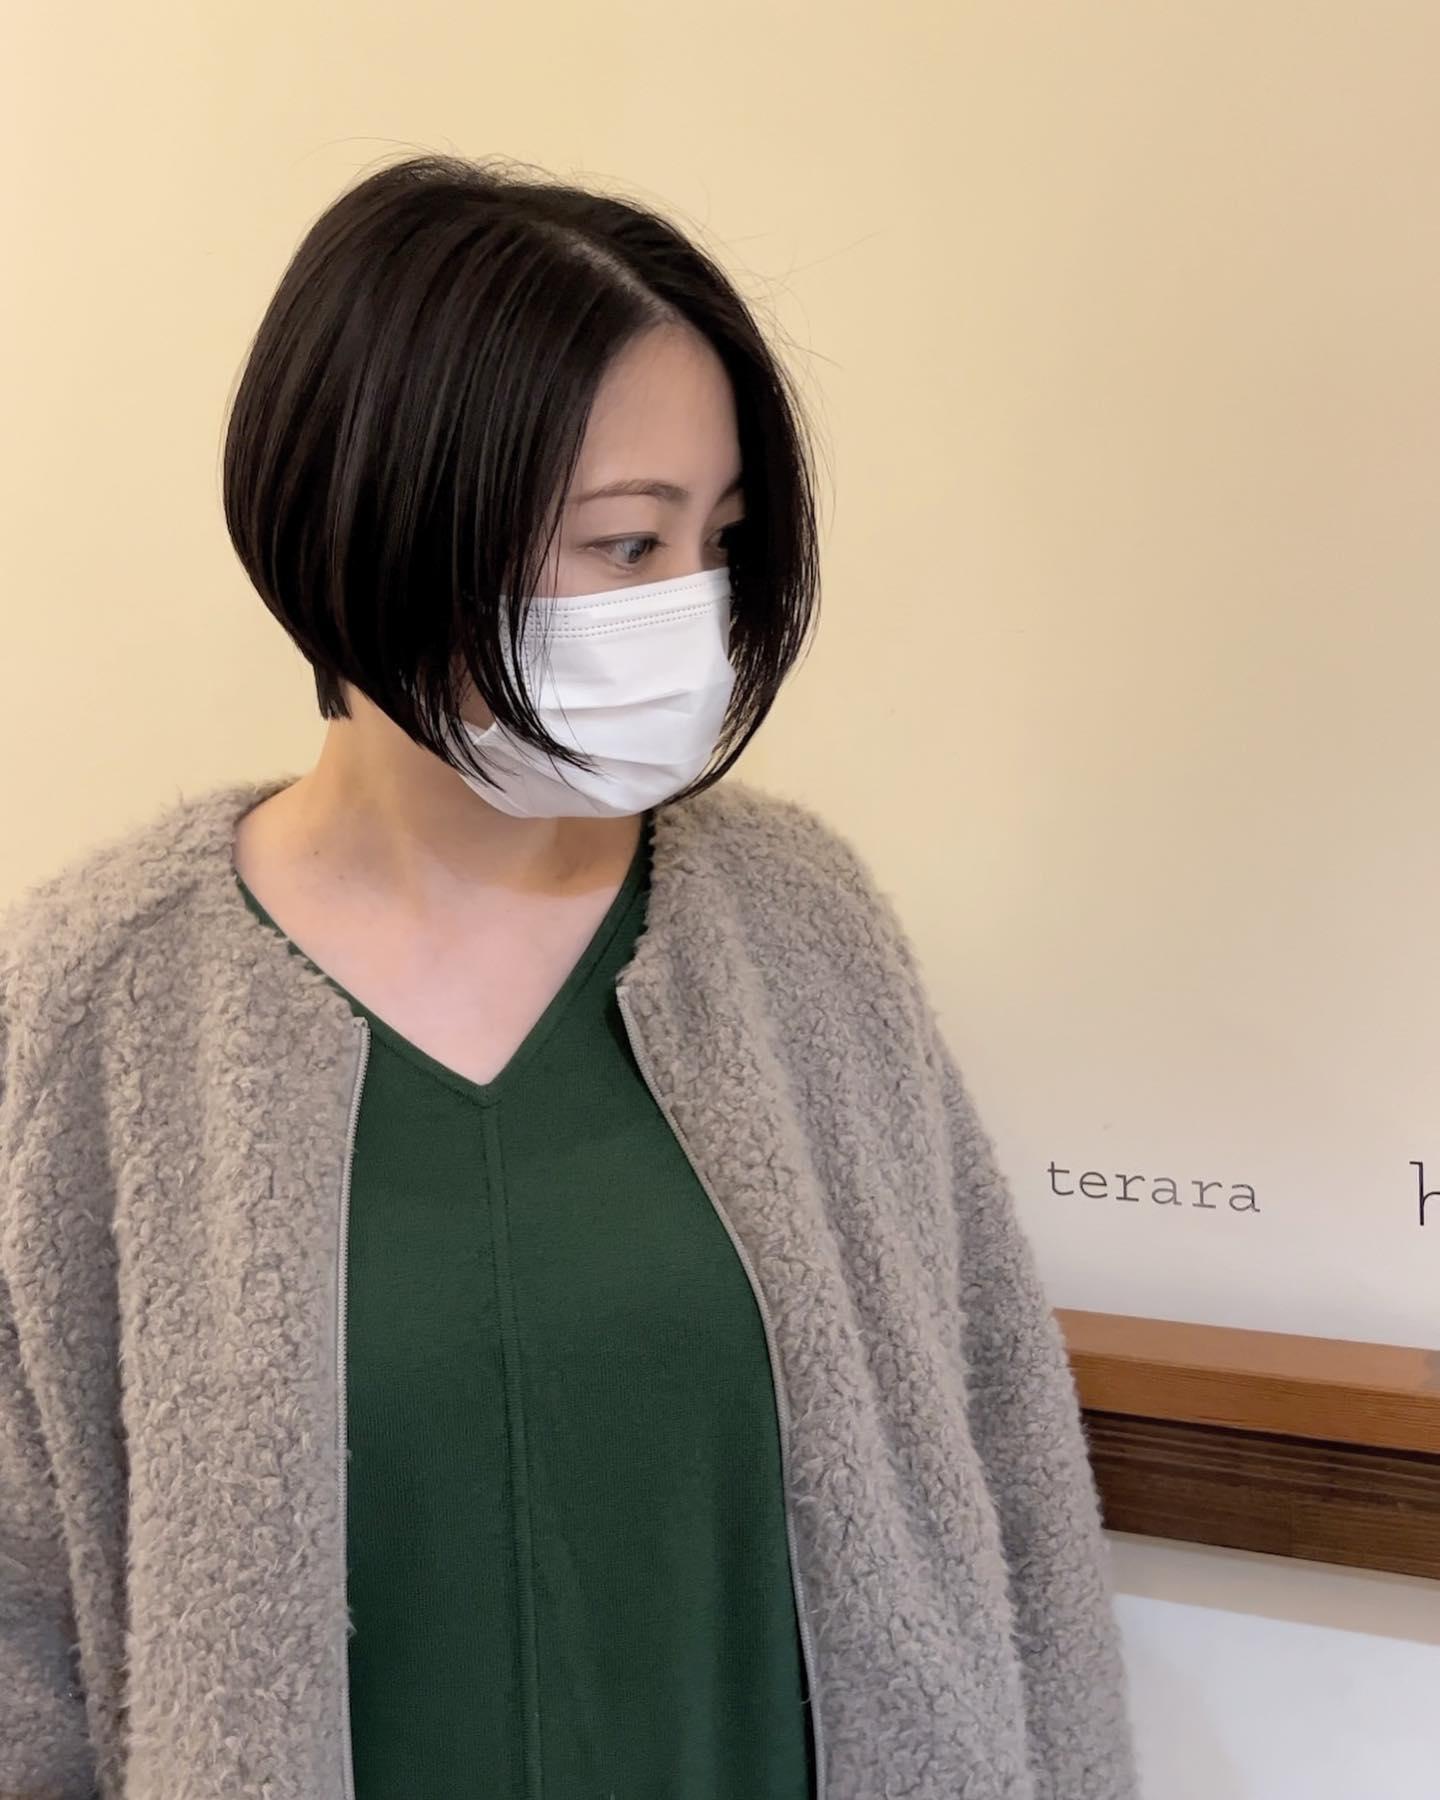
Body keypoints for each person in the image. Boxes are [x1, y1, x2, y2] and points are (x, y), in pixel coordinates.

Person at [0, 153, 1138, 1800]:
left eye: (718, 539)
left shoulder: (800, 934)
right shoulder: (97, 1009)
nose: (691, 611)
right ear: (379, 522)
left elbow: (1008, 1486)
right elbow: (22, 1621)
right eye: (623, 543)